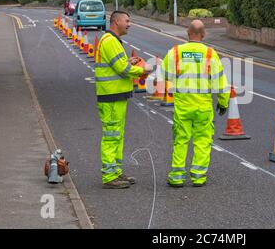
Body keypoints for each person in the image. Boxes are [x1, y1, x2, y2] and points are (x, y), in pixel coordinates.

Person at [161, 20, 230, 187]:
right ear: (204, 34)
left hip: (183, 105)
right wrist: (223, 102)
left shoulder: (176, 52)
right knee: (202, 141)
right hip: (203, 106)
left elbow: (164, 75)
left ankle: (176, 177)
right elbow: (220, 83)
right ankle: (198, 176)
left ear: (187, 32)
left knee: (181, 140)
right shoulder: (210, 53)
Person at [95, 11, 153, 189]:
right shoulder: (110, 40)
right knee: (111, 136)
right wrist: (144, 70)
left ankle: (116, 172)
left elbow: (118, 64)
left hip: (115, 95)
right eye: (127, 21)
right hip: (111, 96)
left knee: (117, 135)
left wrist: (129, 61)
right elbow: (122, 69)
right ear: (116, 21)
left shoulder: (111, 40)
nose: (129, 24)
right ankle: (109, 176)